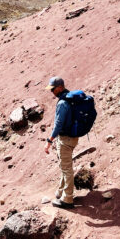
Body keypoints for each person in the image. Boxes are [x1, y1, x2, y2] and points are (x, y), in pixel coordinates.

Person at [43, 76, 77, 209]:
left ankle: (67, 199)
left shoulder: (63, 103)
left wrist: (49, 141)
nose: (52, 92)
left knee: (67, 168)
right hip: (72, 137)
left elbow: (58, 124)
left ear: (60, 87)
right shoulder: (71, 98)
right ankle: (61, 191)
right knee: (64, 165)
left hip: (66, 139)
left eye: (53, 89)